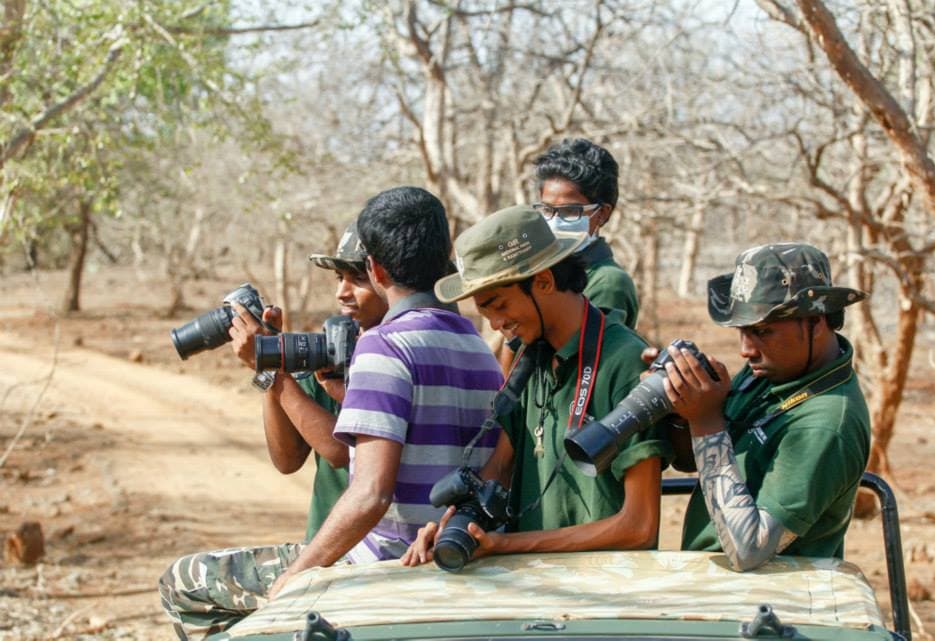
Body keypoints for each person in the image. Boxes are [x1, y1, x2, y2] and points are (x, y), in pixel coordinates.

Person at [264, 186, 503, 594]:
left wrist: (293, 577)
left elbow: (371, 494)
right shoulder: (476, 345)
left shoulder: (384, 345)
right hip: (454, 555)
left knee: (187, 582)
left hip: (389, 566)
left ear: (375, 269)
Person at [402, 205, 671, 566]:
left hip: (606, 587)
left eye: (499, 305)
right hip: (533, 584)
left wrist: (506, 545)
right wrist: (455, 526)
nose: (496, 324)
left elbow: (638, 527)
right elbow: (499, 468)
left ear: (543, 281)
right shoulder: (530, 357)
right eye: (485, 313)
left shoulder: (625, 362)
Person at [158, 221, 389, 640]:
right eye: (338, 277)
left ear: (387, 277)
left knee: (186, 582)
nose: (342, 292)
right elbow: (287, 459)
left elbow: (341, 451)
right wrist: (272, 359)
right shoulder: (334, 348)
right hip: (327, 547)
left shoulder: (390, 357)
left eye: (357, 278)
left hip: (356, 555)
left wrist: (273, 370)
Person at [663, 242, 871, 572]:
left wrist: (705, 422)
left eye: (762, 331)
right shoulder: (776, 370)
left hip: (774, 596)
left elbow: (749, 550)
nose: (746, 350)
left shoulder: (827, 423)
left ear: (816, 322)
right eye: (742, 331)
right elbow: (697, 459)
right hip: (718, 580)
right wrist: (680, 407)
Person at [495, 139, 639, 373]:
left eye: (570, 211)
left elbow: (578, 368)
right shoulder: (541, 268)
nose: (554, 221)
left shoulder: (607, 282)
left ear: (602, 214)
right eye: (546, 209)